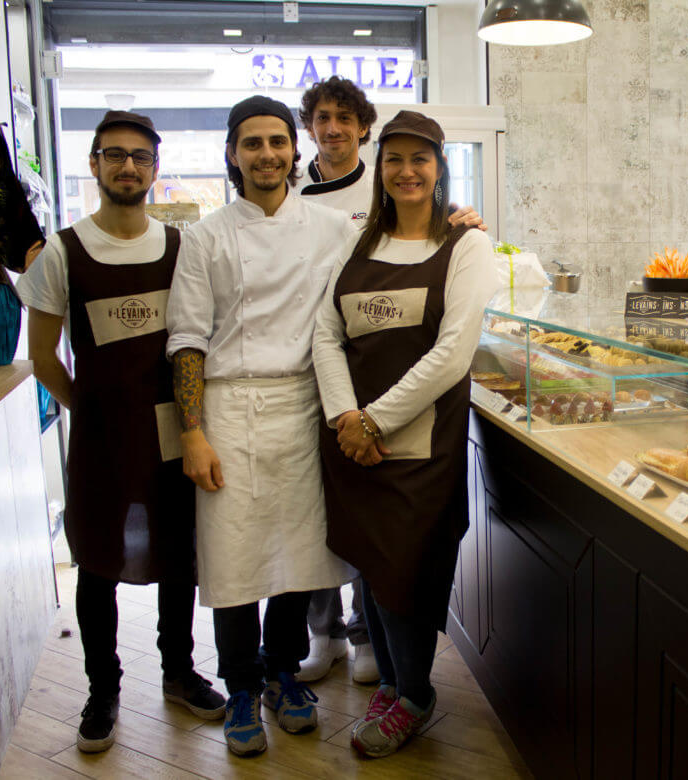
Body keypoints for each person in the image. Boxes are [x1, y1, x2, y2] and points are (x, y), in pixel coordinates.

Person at [17, 111, 226, 754]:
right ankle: (102, 689)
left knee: (176, 555)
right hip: (102, 437)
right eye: (115, 155)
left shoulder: (181, 247)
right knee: (99, 559)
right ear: (95, 164)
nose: (128, 166)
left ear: (155, 169)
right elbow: (45, 355)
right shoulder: (63, 250)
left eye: (140, 156)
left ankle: (177, 671)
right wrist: (88, 407)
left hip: (174, 432)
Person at [165, 95, 359, 758]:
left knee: (299, 554)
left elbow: (380, 271)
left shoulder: (331, 228)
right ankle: (242, 686)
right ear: (232, 154)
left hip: (303, 404)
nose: (267, 155)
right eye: (253, 144)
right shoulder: (207, 235)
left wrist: (456, 223)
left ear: (293, 149)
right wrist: (192, 432)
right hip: (228, 408)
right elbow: (188, 336)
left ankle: (283, 673)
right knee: (234, 557)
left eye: (277, 142)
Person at [313, 110, 498, 759]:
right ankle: (391, 684)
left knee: (411, 570)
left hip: (420, 448)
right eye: (395, 158)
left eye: (421, 158)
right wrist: (344, 418)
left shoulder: (466, 246)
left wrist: (374, 419)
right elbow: (325, 334)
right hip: (352, 444)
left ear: (439, 166)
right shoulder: (355, 243)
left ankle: (415, 694)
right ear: (380, 168)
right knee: (369, 563)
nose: (407, 170)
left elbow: (453, 353)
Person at [295, 75, 380, 685]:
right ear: (310, 127)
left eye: (344, 118)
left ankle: (365, 633)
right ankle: (321, 635)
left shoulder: (388, 189)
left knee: (360, 505)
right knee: (311, 510)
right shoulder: (288, 191)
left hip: (367, 369)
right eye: (323, 117)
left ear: (363, 128)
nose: (333, 128)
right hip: (301, 370)